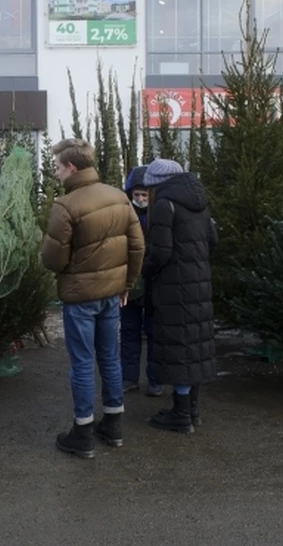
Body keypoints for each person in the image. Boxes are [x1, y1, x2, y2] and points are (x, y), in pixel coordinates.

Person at [42, 139, 145, 458]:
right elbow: (137, 247)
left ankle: (83, 433)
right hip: (112, 294)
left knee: (84, 362)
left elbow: (53, 260)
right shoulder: (119, 197)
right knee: (110, 359)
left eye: (58, 167)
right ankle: (113, 427)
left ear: (71, 167)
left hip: (80, 296)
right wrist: (126, 284)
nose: (57, 172)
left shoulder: (65, 206)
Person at [140, 158, 218, 434]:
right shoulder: (200, 202)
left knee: (179, 349)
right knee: (194, 346)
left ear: (157, 184)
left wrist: (144, 272)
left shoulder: (165, 205)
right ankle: (192, 411)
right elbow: (213, 240)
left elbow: (161, 252)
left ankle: (181, 415)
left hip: (174, 287)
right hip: (200, 285)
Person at [120, 165, 163, 397]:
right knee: (129, 332)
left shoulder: (160, 215)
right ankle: (129, 377)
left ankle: (155, 379)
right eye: (136, 195)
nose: (140, 199)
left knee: (155, 333)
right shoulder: (125, 215)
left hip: (154, 283)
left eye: (144, 195)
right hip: (130, 285)